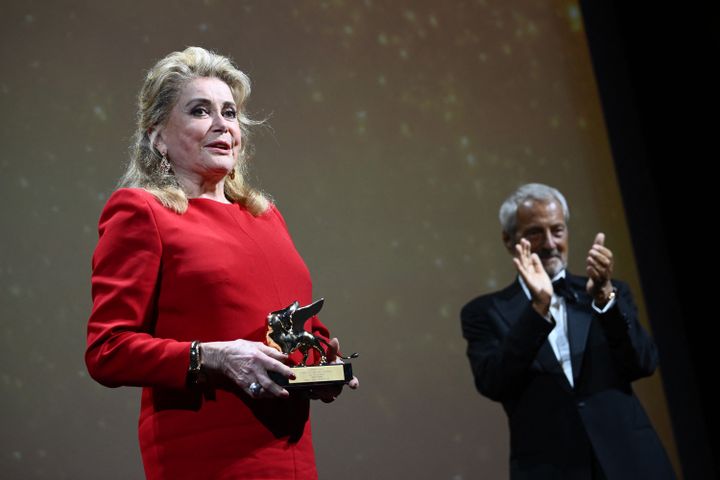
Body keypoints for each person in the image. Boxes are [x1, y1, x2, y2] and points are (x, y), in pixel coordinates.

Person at [85, 46, 358, 480]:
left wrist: (320, 360)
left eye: (230, 113)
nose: (222, 126)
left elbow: (286, 323)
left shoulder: (265, 216)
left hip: (289, 454)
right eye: (200, 111)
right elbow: (107, 350)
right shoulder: (142, 212)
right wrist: (211, 357)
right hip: (205, 454)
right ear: (158, 136)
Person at [460, 183, 674, 479]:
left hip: (631, 459)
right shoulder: (484, 312)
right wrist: (538, 309)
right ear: (509, 241)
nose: (549, 243)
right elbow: (493, 382)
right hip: (550, 467)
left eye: (557, 230)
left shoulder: (608, 292)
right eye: (535, 232)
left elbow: (643, 362)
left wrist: (605, 300)